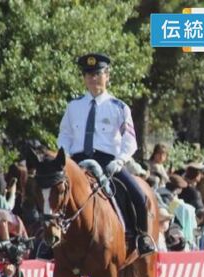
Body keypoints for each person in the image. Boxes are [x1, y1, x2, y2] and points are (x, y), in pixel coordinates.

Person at [56, 52, 155, 255]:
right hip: (77, 161)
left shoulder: (119, 107)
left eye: (98, 73)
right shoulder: (73, 106)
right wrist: (64, 157)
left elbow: (130, 140)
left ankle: (141, 237)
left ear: (107, 75)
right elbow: (64, 135)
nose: (93, 78)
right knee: (53, 194)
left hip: (108, 161)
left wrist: (119, 161)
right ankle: (49, 241)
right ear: (84, 78)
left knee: (136, 194)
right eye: (88, 74)